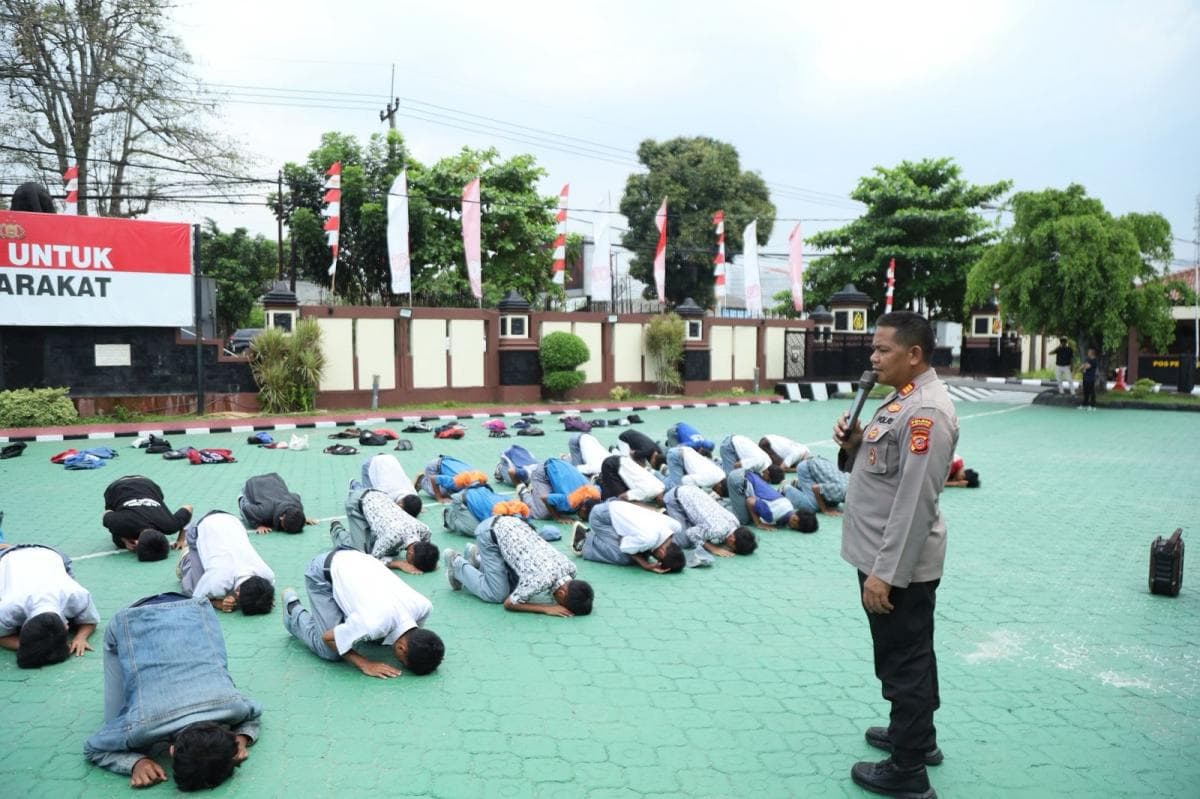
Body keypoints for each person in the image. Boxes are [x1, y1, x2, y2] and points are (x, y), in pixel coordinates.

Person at [833, 310, 958, 799]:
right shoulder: (902, 399)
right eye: (873, 348)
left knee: (902, 662)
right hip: (882, 553)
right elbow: (884, 467)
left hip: (897, 563)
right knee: (909, 653)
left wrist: (884, 575)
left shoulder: (927, 412)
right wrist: (856, 442)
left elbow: (914, 503)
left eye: (883, 349)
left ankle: (908, 772)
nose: (873, 357)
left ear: (914, 355)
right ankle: (917, 738)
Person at [83, 593, 261, 789]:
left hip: (193, 605)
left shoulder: (233, 705)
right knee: (114, 719)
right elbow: (94, 748)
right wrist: (134, 762)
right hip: (131, 617)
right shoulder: (140, 726)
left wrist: (241, 738)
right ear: (172, 750)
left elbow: (253, 714)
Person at [282, 548, 445, 678]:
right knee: (330, 651)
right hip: (322, 573)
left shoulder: (424, 607)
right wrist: (364, 663)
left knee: (371, 637)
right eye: (403, 662)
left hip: (357, 557)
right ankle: (292, 611)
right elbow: (327, 637)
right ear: (401, 648)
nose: (399, 663)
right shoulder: (374, 623)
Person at [445, 515, 593, 617]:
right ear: (561, 594)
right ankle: (456, 563)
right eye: (561, 604)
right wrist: (547, 609)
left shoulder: (571, 568)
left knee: (513, 586)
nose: (558, 605)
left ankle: (477, 558)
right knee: (497, 594)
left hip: (512, 525)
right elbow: (510, 604)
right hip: (490, 534)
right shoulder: (541, 579)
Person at [0, 543, 99, 668]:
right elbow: (1, 637)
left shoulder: (77, 595)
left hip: (49, 555)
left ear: (66, 626)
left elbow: (91, 620)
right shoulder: (7, 609)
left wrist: (81, 637)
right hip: (9, 561)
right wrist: (34, 646)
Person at [176, 511, 275, 615]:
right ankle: (185, 558)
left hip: (232, 521)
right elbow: (196, 599)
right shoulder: (217, 581)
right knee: (191, 589)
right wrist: (216, 603)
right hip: (199, 527)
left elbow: (264, 594)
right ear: (237, 592)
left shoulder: (267, 575)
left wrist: (267, 600)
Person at [338, 488, 439, 573]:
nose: (410, 565)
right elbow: (373, 559)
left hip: (378, 496)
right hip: (356, 505)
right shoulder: (393, 537)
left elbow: (428, 552)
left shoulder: (424, 531)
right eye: (411, 563)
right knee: (360, 554)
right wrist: (398, 564)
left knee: (389, 550)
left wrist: (431, 562)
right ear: (410, 553)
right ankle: (337, 530)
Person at [573, 499, 685, 573]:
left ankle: (600, 538)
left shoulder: (675, 527)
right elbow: (624, 546)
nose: (654, 559)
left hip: (616, 505)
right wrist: (644, 564)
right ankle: (585, 540)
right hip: (601, 518)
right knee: (624, 558)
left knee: (642, 552)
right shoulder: (648, 539)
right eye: (657, 559)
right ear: (661, 553)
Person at [101, 475, 192, 560]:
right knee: (118, 540)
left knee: (119, 540)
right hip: (118, 486)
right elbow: (107, 513)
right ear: (137, 542)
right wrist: (124, 539)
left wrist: (181, 539)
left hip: (148, 484)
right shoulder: (122, 523)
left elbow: (188, 507)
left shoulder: (170, 525)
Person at [662, 485, 757, 558]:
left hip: (690, 490)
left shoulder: (735, 523)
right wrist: (712, 548)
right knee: (684, 542)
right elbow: (690, 533)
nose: (728, 548)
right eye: (731, 547)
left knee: (701, 533)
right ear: (732, 540)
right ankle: (661, 516)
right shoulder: (717, 531)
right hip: (675, 499)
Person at [518, 458, 599, 521]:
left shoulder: (596, 494)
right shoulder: (570, 501)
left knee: (564, 508)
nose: (580, 519)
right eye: (582, 518)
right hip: (542, 474)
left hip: (559, 467)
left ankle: (536, 490)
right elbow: (545, 498)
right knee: (542, 514)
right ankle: (524, 492)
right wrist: (557, 517)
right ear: (583, 509)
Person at [238, 473, 316, 534]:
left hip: (273, 479)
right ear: (281, 517)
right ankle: (242, 497)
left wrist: (300, 519)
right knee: (246, 508)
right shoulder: (264, 511)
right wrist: (258, 525)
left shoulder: (297, 504)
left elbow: (296, 495)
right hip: (251, 485)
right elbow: (246, 509)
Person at [744, 471, 819, 532]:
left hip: (751, 475)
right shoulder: (772, 515)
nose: (791, 528)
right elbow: (750, 501)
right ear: (795, 519)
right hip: (742, 480)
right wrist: (758, 523)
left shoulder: (789, 505)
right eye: (795, 528)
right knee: (744, 519)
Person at [443, 484, 529, 536]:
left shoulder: (511, 504)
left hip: (478, 492)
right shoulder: (493, 517)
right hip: (460, 500)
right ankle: (448, 516)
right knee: (478, 531)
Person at [355, 453, 420, 507]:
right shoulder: (385, 496)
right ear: (400, 504)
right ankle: (354, 486)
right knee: (367, 497)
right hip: (370, 464)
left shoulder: (412, 494)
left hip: (389, 458)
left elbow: (416, 505)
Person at [597, 454, 665, 504]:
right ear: (660, 499)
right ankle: (599, 481)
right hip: (611, 466)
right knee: (618, 501)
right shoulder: (648, 492)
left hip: (622, 461)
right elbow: (622, 497)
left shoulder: (661, 486)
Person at [417, 455, 488, 503]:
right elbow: (434, 479)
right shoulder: (458, 481)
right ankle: (421, 480)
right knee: (442, 493)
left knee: (454, 492)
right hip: (434, 468)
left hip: (445, 463)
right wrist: (440, 499)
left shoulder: (481, 479)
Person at [718, 434, 783, 483]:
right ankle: (717, 463)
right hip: (729, 446)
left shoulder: (769, 462)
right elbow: (737, 465)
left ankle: (722, 463)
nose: (766, 482)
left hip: (737, 443)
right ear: (768, 473)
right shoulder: (758, 462)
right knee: (731, 480)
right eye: (768, 480)